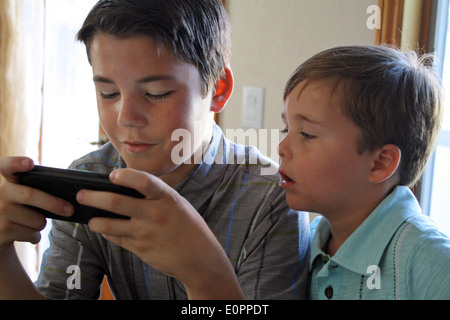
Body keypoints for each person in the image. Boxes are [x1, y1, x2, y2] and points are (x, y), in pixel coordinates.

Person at [0, 0, 310, 300]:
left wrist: (204, 274)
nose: (125, 118)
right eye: (107, 93)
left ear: (217, 88)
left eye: (156, 94)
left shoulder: (272, 198)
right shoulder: (89, 180)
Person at [278, 45, 450, 300]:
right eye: (285, 129)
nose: (282, 148)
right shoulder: (303, 242)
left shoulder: (432, 261)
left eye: (307, 134)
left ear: (380, 164)